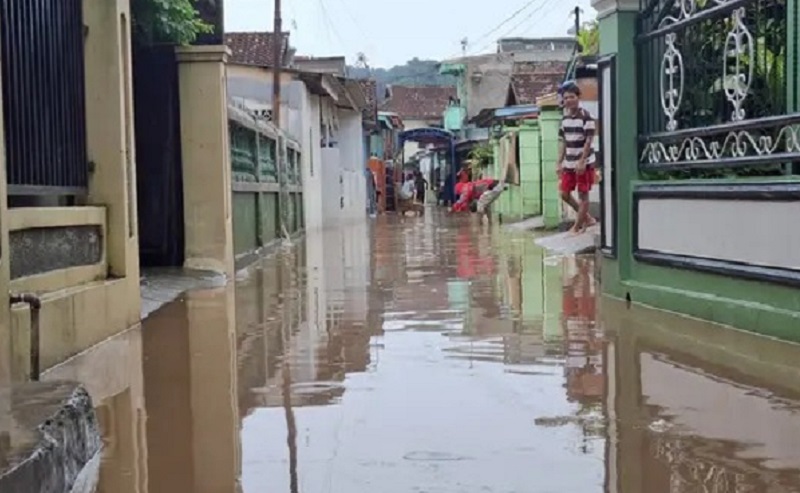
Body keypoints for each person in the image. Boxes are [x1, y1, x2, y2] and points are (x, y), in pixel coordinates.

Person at [557, 80, 598, 234]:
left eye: (572, 97)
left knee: (583, 194)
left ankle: (576, 227)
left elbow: (589, 140)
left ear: (578, 97)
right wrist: (559, 162)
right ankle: (587, 219)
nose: (569, 100)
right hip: (569, 162)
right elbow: (564, 141)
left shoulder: (587, 117)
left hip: (584, 162)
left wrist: (582, 161)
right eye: (566, 98)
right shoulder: (564, 119)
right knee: (564, 193)